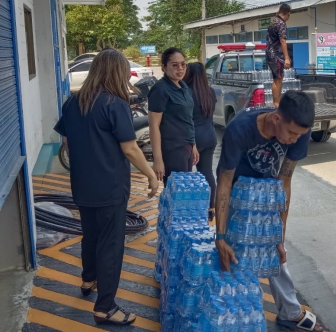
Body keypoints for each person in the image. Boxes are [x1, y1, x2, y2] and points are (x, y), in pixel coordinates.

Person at [54, 49, 159, 326]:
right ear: (117, 72)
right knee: (110, 245)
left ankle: (88, 279)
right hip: (110, 186)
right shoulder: (115, 104)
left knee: (90, 234)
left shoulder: (73, 102)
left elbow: (66, 142)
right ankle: (105, 308)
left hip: (82, 184)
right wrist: (151, 175)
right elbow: (130, 149)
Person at [214, 91, 324, 332]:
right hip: (237, 193)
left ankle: (290, 312)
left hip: (266, 193)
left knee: (275, 253)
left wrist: (279, 236)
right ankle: (227, 311)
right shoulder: (240, 129)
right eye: (291, 133)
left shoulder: (300, 132)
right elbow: (225, 181)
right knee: (231, 252)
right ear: (276, 119)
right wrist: (220, 236)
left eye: (300, 135)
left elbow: (285, 181)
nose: (295, 139)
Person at [148, 47, 199, 186]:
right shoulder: (160, 89)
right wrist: (158, 159)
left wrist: (193, 145)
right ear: (164, 67)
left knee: (184, 191)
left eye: (183, 64)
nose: (180, 69)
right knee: (176, 191)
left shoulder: (183, 86)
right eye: (175, 65)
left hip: (186, 148)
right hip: (173, 150)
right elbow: (154, 125)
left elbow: (187, 119)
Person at [185, 62, 218, 221]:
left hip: (193, 140)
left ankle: (190, 209)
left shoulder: (186, 92)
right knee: (207, 172)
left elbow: (187, 120)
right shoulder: (210, 92)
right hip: (210, 137)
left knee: (186, 174)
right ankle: (211, 208)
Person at [266, 3, 292, 107]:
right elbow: (282, 40)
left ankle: (276, 102)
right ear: (288, 14)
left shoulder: (273, 21)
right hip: (276, 55)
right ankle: (276, 104)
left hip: (269, 53)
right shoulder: (281, 23)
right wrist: (286, 58)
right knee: (278, 79)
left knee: (277, 78)